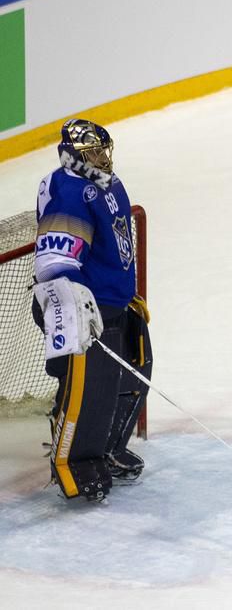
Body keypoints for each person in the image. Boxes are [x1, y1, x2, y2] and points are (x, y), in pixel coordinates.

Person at [33, 118, 152, 503]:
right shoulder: (69, 191)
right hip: (80, 308)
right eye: (92, 153)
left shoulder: (108, 183)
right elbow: (54, 260)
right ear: (72, 155)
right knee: (90, 390)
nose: (102, 158)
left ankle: (108, 446)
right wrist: (74, 306)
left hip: (113, 303)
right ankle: (75, 463)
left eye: (104, 150)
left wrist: (125, 292)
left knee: (136, 372)